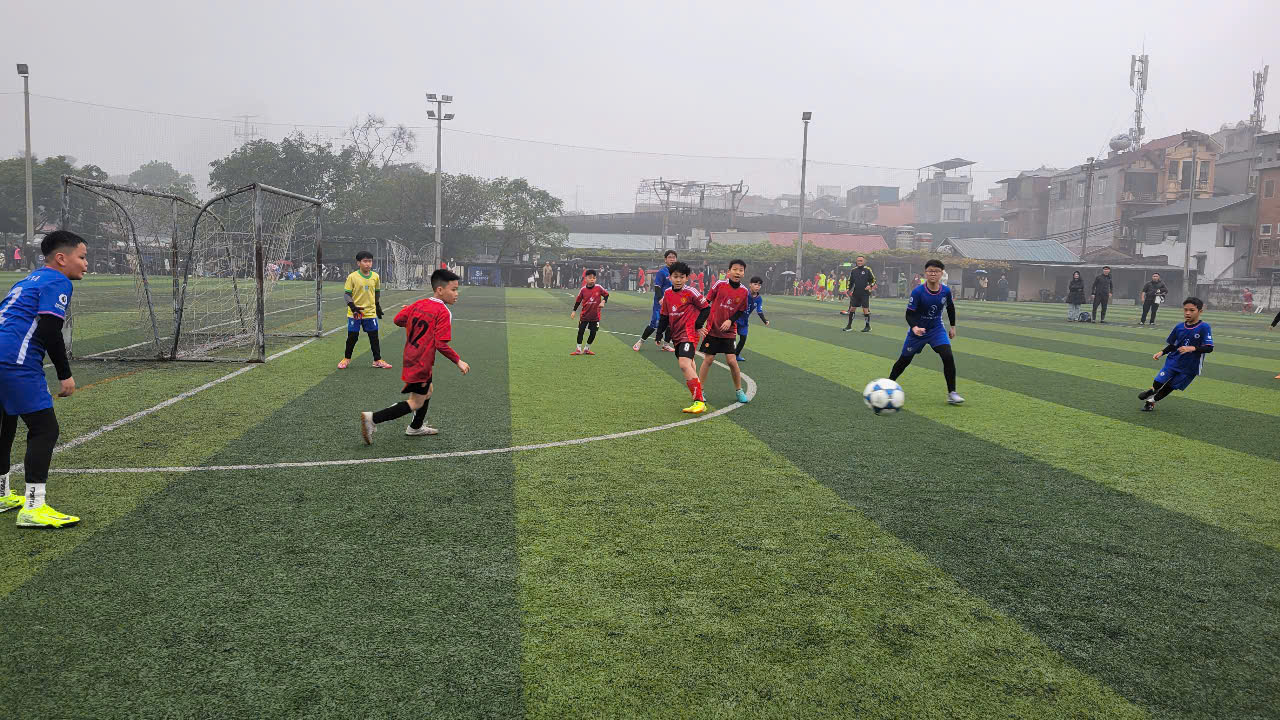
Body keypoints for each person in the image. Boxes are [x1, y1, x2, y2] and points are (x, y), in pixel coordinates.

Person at [0, 231, 88, 527]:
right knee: (44, 429)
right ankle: (34, 508)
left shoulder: (28, 280)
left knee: (5, 424)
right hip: (15, 360)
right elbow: (50, 331)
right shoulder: (57, 280)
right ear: (61, 259)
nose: (86, 264)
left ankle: (0, 494)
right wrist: (65, 375)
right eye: (82, 257)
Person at [361, 269, 469, 443]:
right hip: (422, 361)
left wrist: (412, 317)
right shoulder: (443, 312)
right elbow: (440, 343)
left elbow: (397, 320)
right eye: (453, 289)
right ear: (439, 290)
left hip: (411, 355)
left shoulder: (418, 304)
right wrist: (458, 360)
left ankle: (416, 427)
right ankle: (373, 418)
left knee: (428, 390)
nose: (457, 294)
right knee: (416, 402)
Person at [886, 259, 964, 405]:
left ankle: (952, 393)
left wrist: (953, 327)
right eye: (930, 271)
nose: (933, 273)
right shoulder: (918, 292)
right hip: (918, 332)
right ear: (925, 273)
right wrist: (915, 327)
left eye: (936, 271)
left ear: (941, 273)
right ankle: (888, 386)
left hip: (936, 330)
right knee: (904, 360)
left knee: (947, 355)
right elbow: (909, 314)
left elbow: (950, 308)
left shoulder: (945, 291)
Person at [654, 261, 710, 414]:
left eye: (682, 277)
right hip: (676, 335)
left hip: (689, 333)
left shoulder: (691, 292)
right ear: (670, 277)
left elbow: (706, 308)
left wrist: (698, 325)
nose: (678, 280)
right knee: (690, 364)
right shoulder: (667, 294)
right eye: (675, 276)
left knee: (684, 364)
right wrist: (659, 333)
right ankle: (700, 395)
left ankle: (699, 401)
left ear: (687, 278)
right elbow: (665, 315)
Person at [1139, 297, 1213, 412]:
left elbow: (1209, 348)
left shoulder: (1204, 327)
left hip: (1190, 366)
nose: (1187, 313)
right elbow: (1173, 345)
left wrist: (1192, 348)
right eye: (1185, 310)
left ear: (1200, 311)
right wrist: (1162, 352)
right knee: (1158, 381)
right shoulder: (1179, 327)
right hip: (1174, 361)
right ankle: (1153, 390)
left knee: (1171, 386)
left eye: (1192, 310)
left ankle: (1151, 402)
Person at [697, 260, 751, 405]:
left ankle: (739, 391)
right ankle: (699, 390)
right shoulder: (719, 285)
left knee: (732, 361)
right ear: (728, 271)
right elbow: (706, 301)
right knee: (708, 360)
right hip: (713, 329)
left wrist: (730, 321)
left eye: (741, 270)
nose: (737, 272)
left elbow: (740, 310)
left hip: (729, 331)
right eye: (735, 269)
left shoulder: (744, 291)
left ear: (743, 273)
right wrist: (700, 321)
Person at [339, 251, 392, 370]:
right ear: (358, 263)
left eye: (370, 261)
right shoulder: (352, 277)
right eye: (365, 261)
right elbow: (347, 294)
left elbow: (377, 292)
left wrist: (377, 306)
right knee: (353, 336)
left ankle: (377, 360)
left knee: (374, 336)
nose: (368, 264)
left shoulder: (375, 276)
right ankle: (346, 359)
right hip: (355, 313)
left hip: (370, 312)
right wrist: (353, 307)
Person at [633, 250, 678, 352]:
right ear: (665, 259)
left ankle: (666, 344)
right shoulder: (662, 272)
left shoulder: (678, 272)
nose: (672, 259)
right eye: (670, 257)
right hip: (661, 303)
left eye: (674, 257)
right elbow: (657, 287)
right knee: (655, 323)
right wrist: (660, 299)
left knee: (671, 324)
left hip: (673, 303)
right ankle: (640, 342)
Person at [569, 269, 609, 355]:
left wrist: (603, 301)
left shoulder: (599, 288)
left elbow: (606, 295)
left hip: (595, 316)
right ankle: (578, 349)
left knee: (593, 333)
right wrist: (574, 311)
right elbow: (578, 301)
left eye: (594, 278)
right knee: (581, 331)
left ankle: (587, 348)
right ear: (585, 278)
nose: (592, 279)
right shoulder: (583, 290)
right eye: (590, 277)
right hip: (584, 315)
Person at [735, 276, 769, 361]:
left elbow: (759, 311)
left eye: (759, 285)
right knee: (731, 337)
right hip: (735, 318)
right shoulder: (744, 292)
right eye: (755, 284)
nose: (757, 286)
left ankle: (736, 355)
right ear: (750, 285)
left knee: (743, 338)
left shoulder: (759, 299)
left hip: (744, 321)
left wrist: (765, 321)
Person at [843, 256, 877, 332]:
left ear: (864, 261)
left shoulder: (867, 270)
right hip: (856, 292)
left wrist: (870, 286)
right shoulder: (853, 270)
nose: (859, 262)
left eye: (861, 261)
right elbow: (851, 281)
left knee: (865, 310)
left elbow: (873, 280)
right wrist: (848, 289)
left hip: (865, 293)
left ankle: (867, 326)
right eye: (858, 261)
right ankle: (849, 326)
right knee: (852, 308)